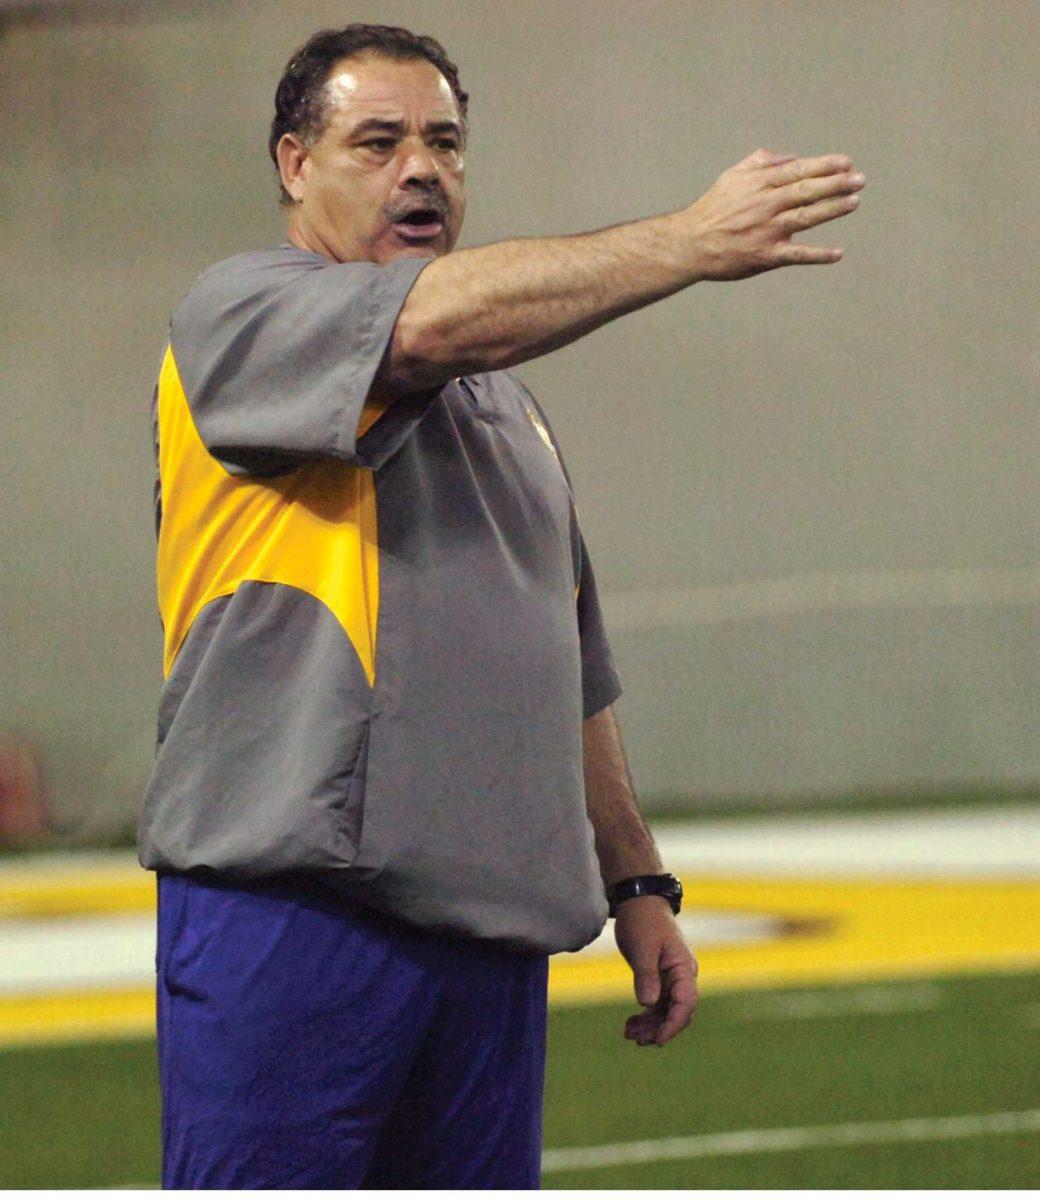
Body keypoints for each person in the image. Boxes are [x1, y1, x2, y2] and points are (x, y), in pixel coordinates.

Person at [139, 21, 865, 1190]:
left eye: (443, 142)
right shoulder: (239, 314)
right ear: (291, 164)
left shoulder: (505, 405)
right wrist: (680, 241)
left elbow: (565, 657)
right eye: (375, 142)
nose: (419, 169)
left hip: (483, 939)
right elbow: (422, 322)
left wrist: (633, 881)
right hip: (299, 916)